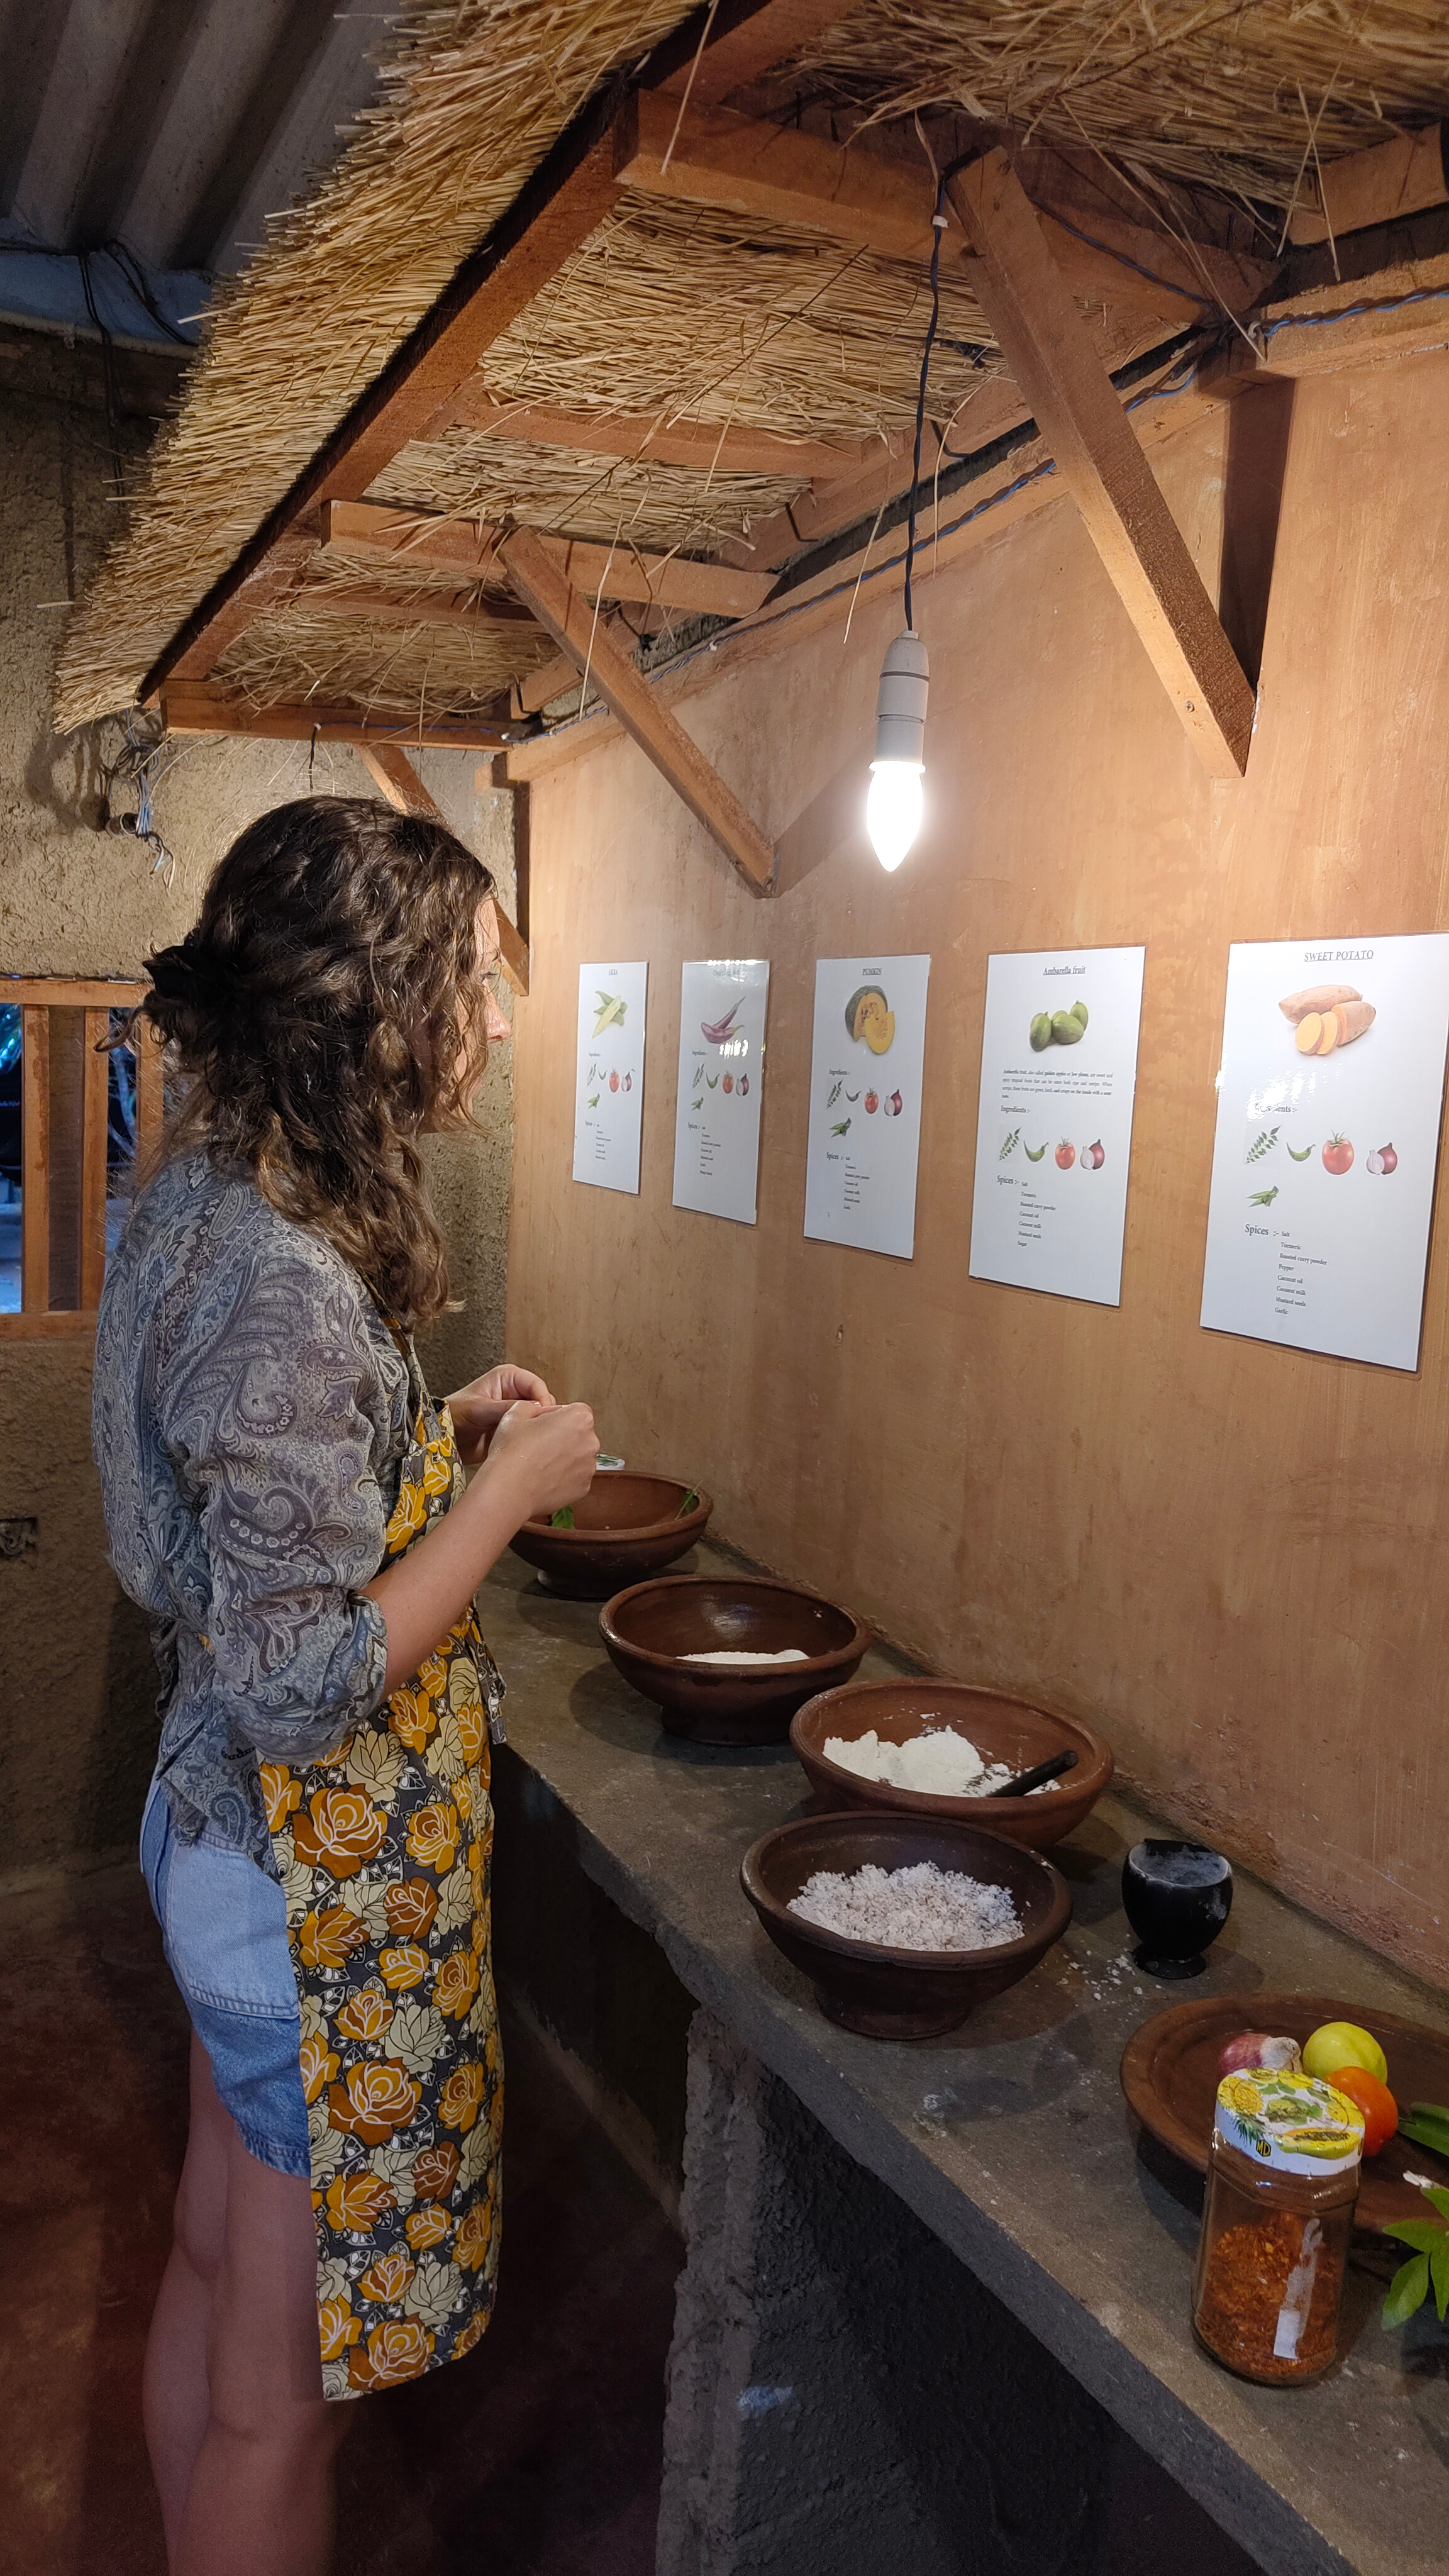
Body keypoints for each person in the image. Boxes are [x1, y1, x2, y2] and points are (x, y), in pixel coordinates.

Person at [92, 796, 597, 2576]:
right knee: (281, 2396)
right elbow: (307, 1679)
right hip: (292, 1879)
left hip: (217, 1839)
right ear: (380, 1008)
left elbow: (256, 1505)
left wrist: (430, 1441)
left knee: (225, 2272)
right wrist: (517, 1496)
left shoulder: (197, 1203)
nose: (499, 1018)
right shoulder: (283, 1279)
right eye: (474, 976)